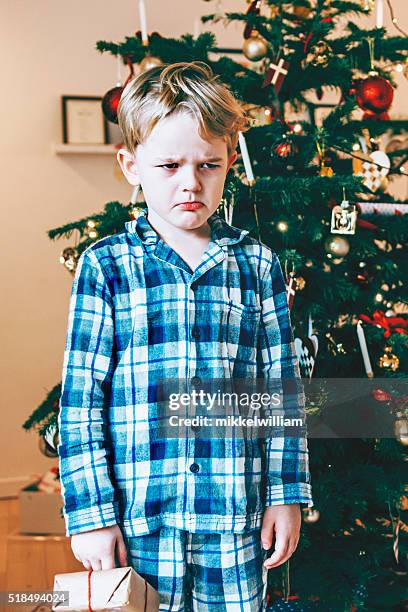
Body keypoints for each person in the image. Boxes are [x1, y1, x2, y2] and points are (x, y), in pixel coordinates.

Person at [58, 61, 313, 611]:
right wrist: (92, 517)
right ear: (131, 166)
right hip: (139, 526)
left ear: (227, 167)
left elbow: (281, 394)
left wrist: (286, 496)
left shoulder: (257, 265)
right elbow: (81, 404)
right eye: (169, 164)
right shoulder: (106, 267)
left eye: (209, 165)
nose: (190, 182)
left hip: (236, 524)